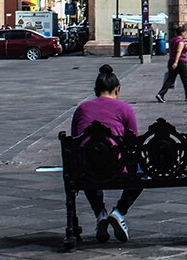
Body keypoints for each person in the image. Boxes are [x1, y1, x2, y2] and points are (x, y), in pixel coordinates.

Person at [70, 64, 141, 243]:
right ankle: (119, 212)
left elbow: (74, 140)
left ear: (96, 90)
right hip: (117, 168)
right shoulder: (125, 108)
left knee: (89, 159)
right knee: (143, 170)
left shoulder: (82, 109)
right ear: (117, 89)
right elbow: (134, 142)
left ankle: (100, 213)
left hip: (87, 171)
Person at [155, 26, 187, 103]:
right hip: (180, 62)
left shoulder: (173, 40)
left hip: (171, 60)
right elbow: (179, 52)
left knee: (170, 79)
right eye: (185, 32)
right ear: (182, 33)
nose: (185, 34)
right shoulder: (180, 42)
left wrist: (172, 60)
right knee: (185, 79)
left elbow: (171, 51)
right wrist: (176, 62)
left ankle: (161, 94)